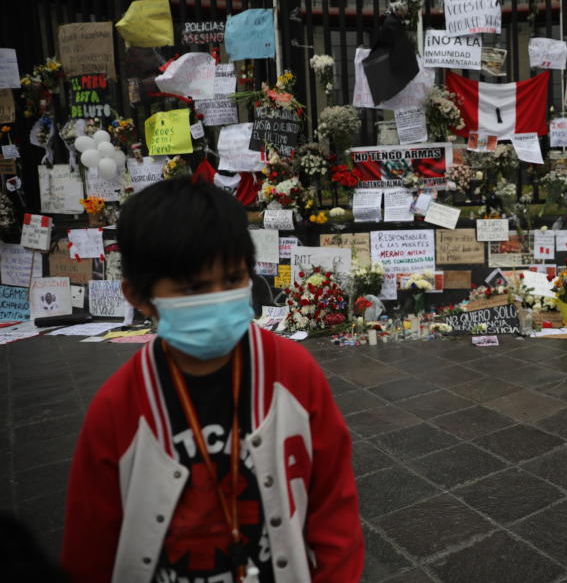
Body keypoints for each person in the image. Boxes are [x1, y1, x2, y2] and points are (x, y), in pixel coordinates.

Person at [61, 178, 364, 582]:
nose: (219, 298)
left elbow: (333, 503)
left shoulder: (292, 372)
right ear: (137, 296)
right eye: (194, 289)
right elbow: (90, 546)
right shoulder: (118, 406)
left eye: (233, 279)